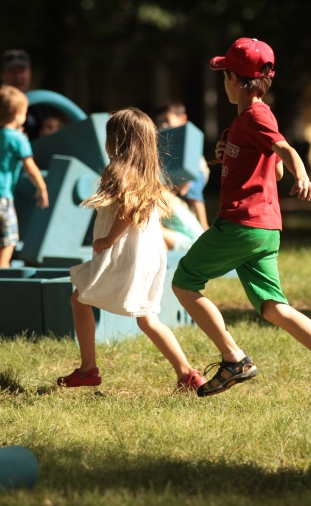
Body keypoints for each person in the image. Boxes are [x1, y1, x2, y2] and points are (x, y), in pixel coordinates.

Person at [172, 37, 311, 402]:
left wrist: (304, 177)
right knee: (274, 307)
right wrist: (227, 153)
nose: (223, 81)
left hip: (241, 224)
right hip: (263, 230)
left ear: (234, 79)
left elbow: (285, 151)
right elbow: (272, 171)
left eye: (224, 75)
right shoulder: (245, 122)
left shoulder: (256, 115)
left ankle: (234, 359)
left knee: (184, 282)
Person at [58, 108, 207, 393]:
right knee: (148, 319)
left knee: (79, 300)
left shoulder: (119, 170)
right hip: (149, 256)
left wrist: (107, 240)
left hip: (125, 254)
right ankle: (187, 374)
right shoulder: (148, 173)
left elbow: (127, 209)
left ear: (117, 140)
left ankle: (89, 369)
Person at [0, 85, 49, 267]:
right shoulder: (19, 139)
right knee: (9, 239)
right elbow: (30, 167)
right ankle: (2, 273)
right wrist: (42, 187)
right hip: (1, 196)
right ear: (19, 114)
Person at [154, 101, 211, 230]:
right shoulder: (163, 138)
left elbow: (192, 162)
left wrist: (187, 180)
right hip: (176, 174)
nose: (163, 125)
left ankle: (203, 225)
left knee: (193, 193)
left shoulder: (185, 134)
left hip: (196, 172)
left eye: (167, 120)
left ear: (182, 119)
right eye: (160, 122)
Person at [0, 49, 51, 141]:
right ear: (2, 74)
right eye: (12, 72)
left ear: (29, 72)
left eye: (22, 71)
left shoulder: (40, 104)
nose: (18, 77)